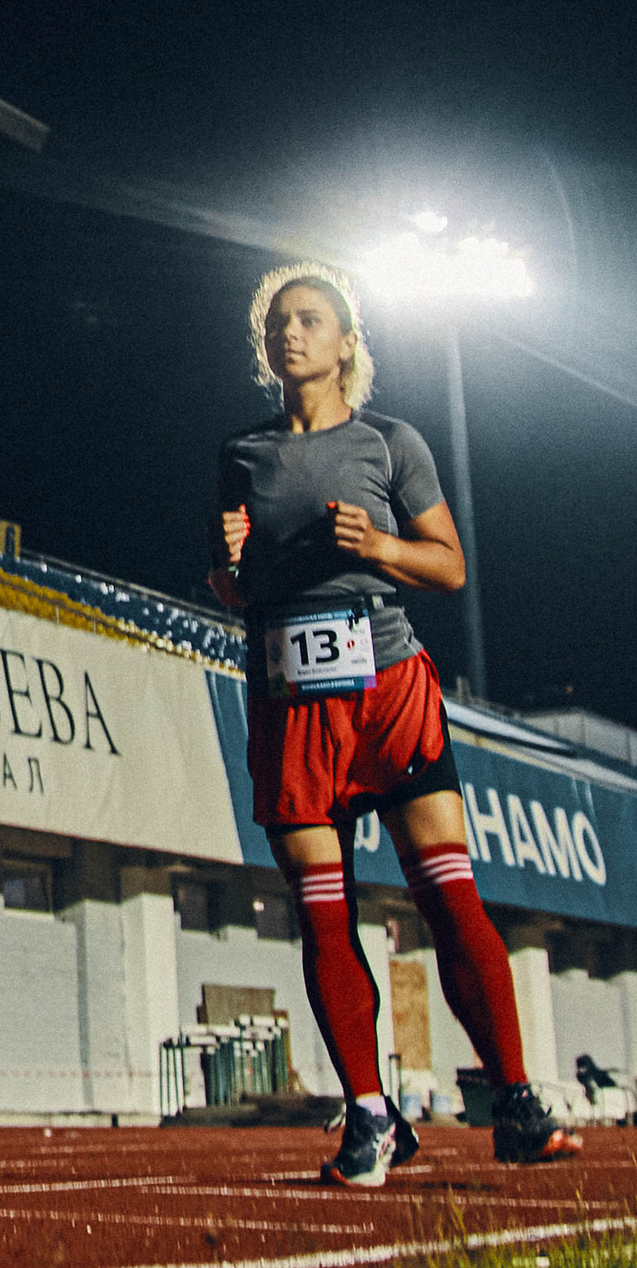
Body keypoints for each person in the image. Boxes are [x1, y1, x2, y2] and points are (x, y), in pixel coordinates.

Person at [207, 263, 579, 1186]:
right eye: (278, 324)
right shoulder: (241, 454)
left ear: (344, 344)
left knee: (451, 899)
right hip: (292, 698)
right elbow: (234, 592)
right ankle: (371, 1115)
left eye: (309, 320)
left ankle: (518, 1101)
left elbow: (448, 566)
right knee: (324, 916)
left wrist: (376, 545)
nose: (290, 334)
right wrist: (226, 572)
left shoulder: (391, 441)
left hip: (390, 689)